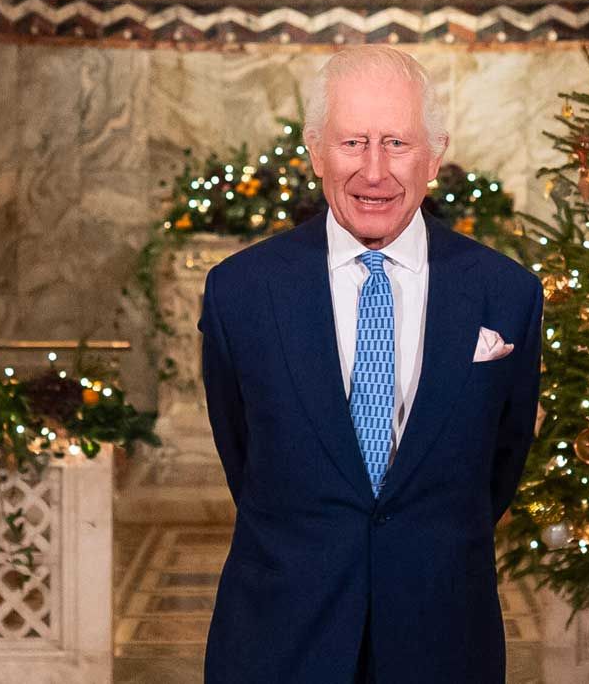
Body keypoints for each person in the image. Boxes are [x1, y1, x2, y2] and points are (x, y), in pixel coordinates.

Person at [196, 44, 544, 683]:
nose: (375, 172)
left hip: (443, 642)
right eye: (353, 143)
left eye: (397, 143)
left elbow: (501, 463)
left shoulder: (508, 295)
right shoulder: (240, 293)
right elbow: (244, 455)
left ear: (435, 154)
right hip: (281, 639)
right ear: (314, 152)